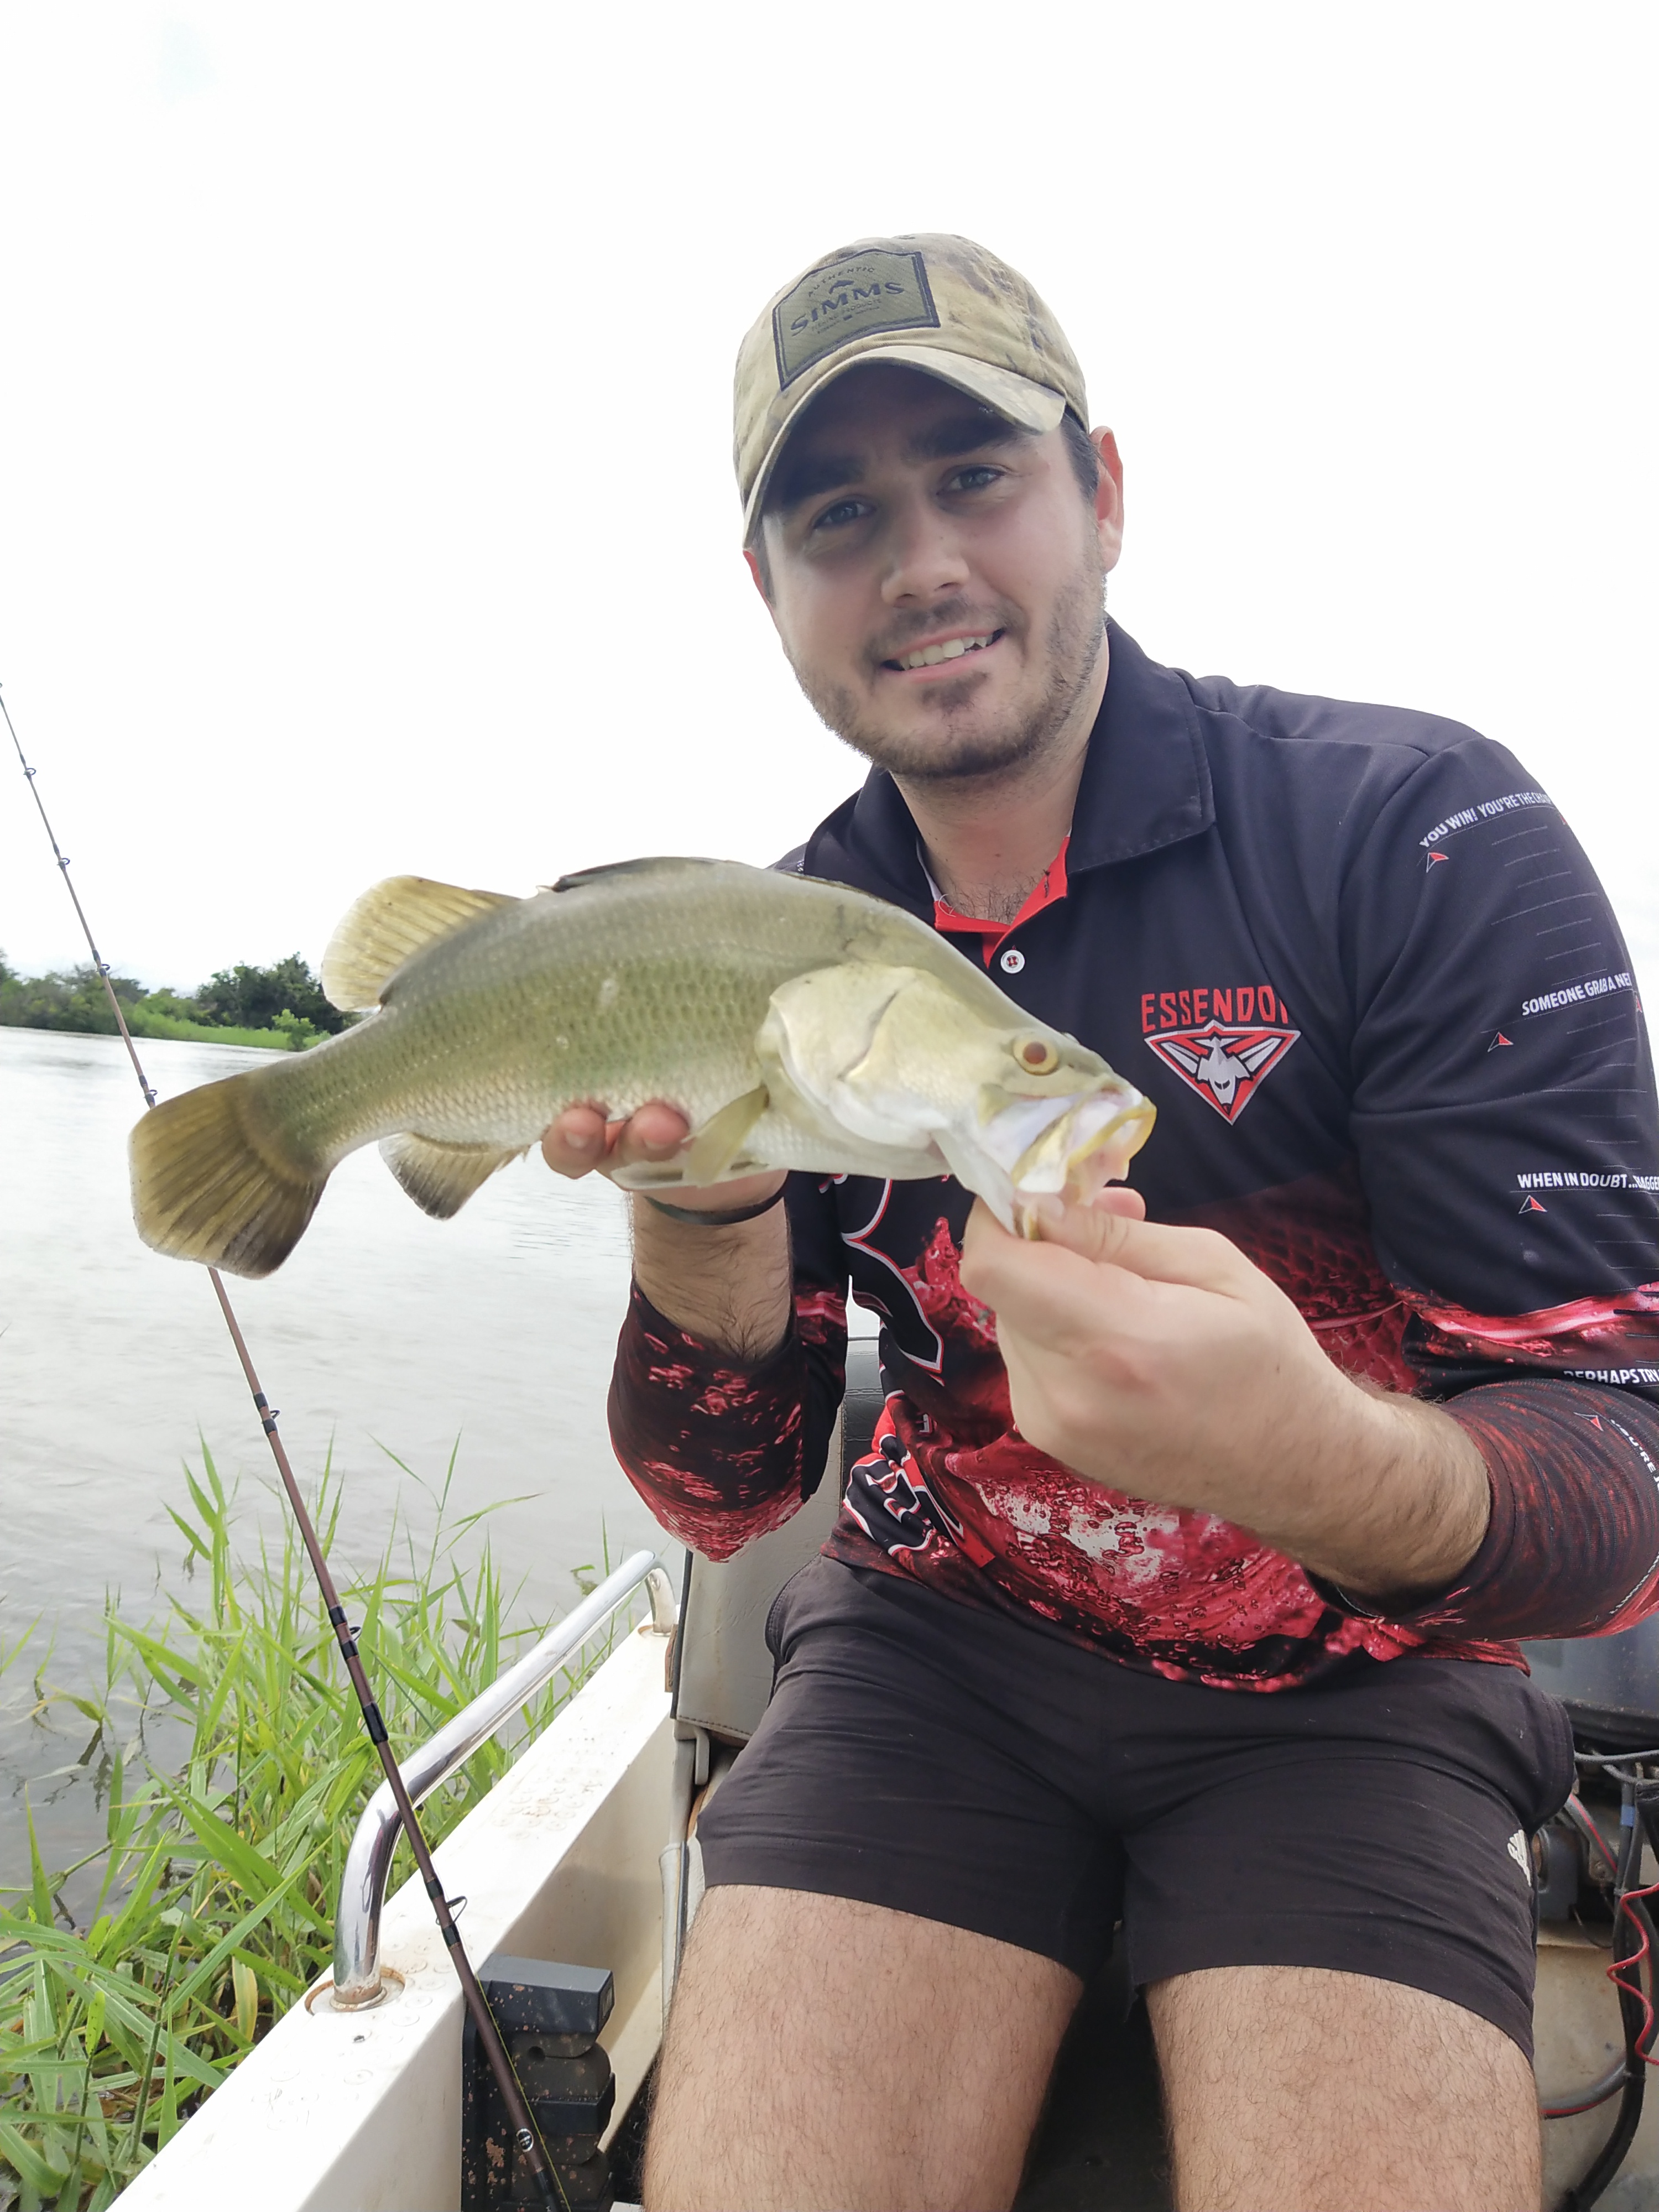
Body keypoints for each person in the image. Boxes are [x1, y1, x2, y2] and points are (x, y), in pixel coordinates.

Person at [542, 233, 1659, 2211]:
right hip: (936, 1652)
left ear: (1105, 492)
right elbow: (729, 1506)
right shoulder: (765, 951)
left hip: (1362, 1681)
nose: (919, 566)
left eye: (977, 477)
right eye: (837, 516)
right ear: (770, 592)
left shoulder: (1417, 832)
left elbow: (1620, 1480)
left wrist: (1308, 1453)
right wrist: (702, 1209)